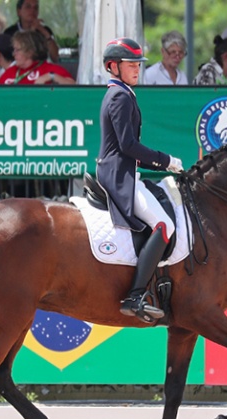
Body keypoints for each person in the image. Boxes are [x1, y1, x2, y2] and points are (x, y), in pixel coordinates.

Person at [96, 37, 184, 323]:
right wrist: (165, 160)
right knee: (164, 224)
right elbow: (128, 146)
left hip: (124, 170)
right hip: (119, 174)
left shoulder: (123, 92)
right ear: (114, 66)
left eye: (138, 64)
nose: (137, 69)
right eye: (131, 64)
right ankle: (135, 296)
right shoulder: (119, 96)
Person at [0, 31, 74, 85]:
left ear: (30, 51)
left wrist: (51, 76)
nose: (14, 54)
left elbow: (74, 86)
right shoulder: (11, 71)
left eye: (17, 50)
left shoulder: (48, 69)